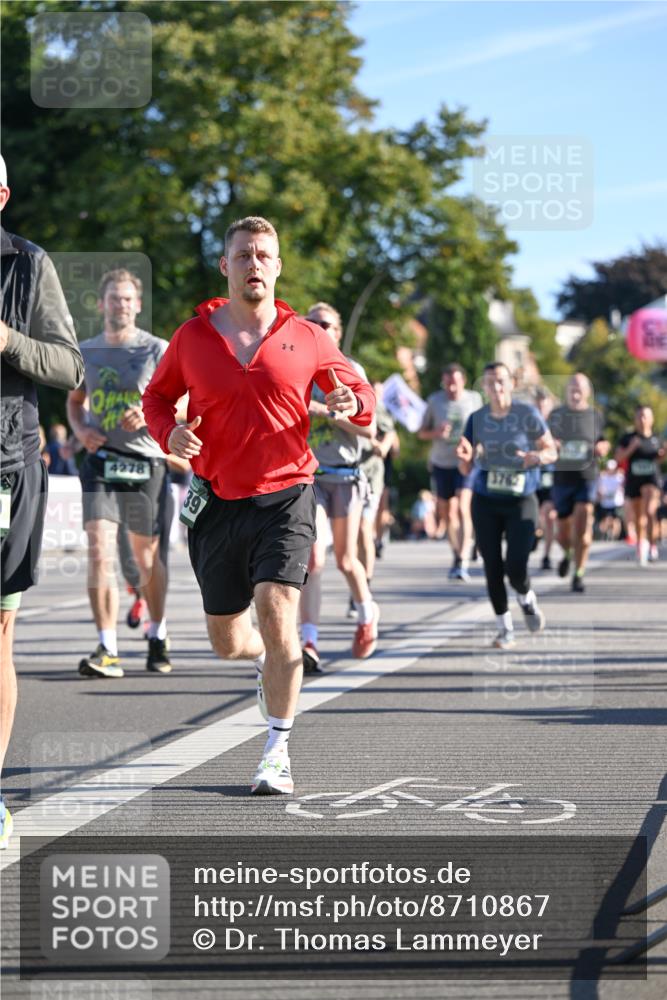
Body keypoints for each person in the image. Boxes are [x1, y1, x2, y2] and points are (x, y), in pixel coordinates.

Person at [142, 217, 375, 795]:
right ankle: (266, 661)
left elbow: (362, 398)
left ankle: (276, 747)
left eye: (264, 255)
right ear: (226, 266)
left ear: (277, 267)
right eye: (243, 254)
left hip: (288, 495)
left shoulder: (308, 336)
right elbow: (157, 396)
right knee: (228, 640)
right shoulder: (192, 337)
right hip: (217, 502)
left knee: (278, 611)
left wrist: (351, 399)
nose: (254, 263)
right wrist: (169, 432)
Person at [0, 154, 84, 848]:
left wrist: (5, 339)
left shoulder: (28, 265)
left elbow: (69, 364)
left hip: (4, 469)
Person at [67, 268, 175, 677]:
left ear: (138, 305)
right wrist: (81, 430)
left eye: (128, 299)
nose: (121, 305)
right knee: (98, 548)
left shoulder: (157, 350)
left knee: (147, 559)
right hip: (102, 461)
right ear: (101, 304)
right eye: (114, 298)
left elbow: (183, 404)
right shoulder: (86, 351)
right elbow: (75, 401)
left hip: (146, 462)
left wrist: (149, 413)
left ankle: (158, 631)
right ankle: (107, 647)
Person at [296, 302, 378, 671]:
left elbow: (369, 429)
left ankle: (366, 612)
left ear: (337, 332)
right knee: (312, 558)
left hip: (346, 475)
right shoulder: (295, 367)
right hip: (310, 475)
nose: (316, 327)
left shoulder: (350, 370)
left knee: (346, 560)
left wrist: (326, 411)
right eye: (309, 322)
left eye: (324, 323)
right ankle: (309, 641)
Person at [456, 362, 557, 650]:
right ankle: (505, 629)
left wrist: (536, 457)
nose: (496, 388)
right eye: (489, 383)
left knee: (516, 567)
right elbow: (465, 468)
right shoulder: (477, 418)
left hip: (521, 499)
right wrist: (464, 458)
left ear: (511, 383)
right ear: (484, 387)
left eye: (500, 381)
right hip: (485, 500)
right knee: (492, 567)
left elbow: (551, 450)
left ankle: (526, 599)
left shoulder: (527, 414)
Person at [418, 363, 482, 581]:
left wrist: (477, 446)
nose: (451, 387)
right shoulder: (435, 401)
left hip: (466, 461)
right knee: (447, 512)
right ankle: (457, 552)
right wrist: (435, 432)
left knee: (463, 505)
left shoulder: (474, 400)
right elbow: (421, 433)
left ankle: (462, 558)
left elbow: (483, 429)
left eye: (455, 382)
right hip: (441, 462)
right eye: (447, 383)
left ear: (463, 380)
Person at [548, 372, 610, 593]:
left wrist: (603, 447)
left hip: (587, 477)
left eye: (580, 387)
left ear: (587, 392)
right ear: (567, 391)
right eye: (572, 387)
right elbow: (544, 439)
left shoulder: (595, 415)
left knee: (583, 529)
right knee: (563, 534)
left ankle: (579, 573)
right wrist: (551, 443)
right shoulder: (556, 415)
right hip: (563, 478)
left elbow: (602, 440)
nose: (575, 391)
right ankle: (566, 554)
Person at [350, 382, 397, 616]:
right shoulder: (345, 400)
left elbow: (390, 432)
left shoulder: (377, 408)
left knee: (363, 528)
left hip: (371, 476)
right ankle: (357, 584)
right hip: (346, 475)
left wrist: (383, 445)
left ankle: (363, 585)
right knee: (351, 535)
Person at [615, 405, 665, 564]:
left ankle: (652, 545)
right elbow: (618, 458)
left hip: (651, 480)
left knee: (650, 511)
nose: (643, 420)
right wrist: (632, 447)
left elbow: (660, 459)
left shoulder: (657, 439)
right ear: (635, 419)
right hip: (634, 480)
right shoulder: (628, 438)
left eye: (646, 416)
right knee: (638, 517)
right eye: (640, 416)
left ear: (652, 419)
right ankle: (641, 544)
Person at [534, 387, 557, 569]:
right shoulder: (528, 423)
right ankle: (534, 533)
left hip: (550, 475)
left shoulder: (557, 426)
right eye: (538, 405)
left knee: (549, 515)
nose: (541, 409)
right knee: (534, 515)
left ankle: (547, 555)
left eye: (544, 405)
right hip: (532, 474)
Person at [595, 459, 625, 541]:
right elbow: (598, 488)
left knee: (616, 519)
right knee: (605, 519)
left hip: (617, 502)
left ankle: (614, 536)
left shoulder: (620, 477)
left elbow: (623, 487)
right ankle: (605, 535)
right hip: (605, 502)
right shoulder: (602, 477)